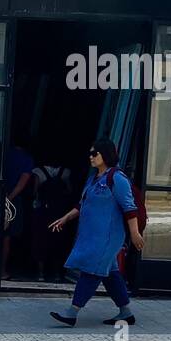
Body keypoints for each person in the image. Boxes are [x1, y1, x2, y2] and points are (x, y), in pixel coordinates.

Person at [47, 139, 144, 326]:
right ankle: (126, 312)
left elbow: (129, 208)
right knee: (111, 273)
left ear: (105, 155)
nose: (91, 157)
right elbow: (82, 204)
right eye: (90, 153)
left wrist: (134, 233)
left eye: (95, 154)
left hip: (108, 238)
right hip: (92, 236)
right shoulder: (94, 179)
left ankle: (71, 312)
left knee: (91, 271)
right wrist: (65, 218)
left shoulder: (117, 178)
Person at [30, 158, 73, 282]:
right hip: (59, 212)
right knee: (58, 242)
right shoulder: (66, 172)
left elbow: (34, 191)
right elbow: (70, 191)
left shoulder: (39, 172)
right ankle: (56, 273)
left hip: (42, 211)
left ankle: (40, 273)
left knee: (40, 241)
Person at [1, 142, 34, 279]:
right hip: (11, 200)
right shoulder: (26, 159)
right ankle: (1, 271)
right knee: (5, 236)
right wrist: (9, 198)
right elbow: (22, 183)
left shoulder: (3, 154)